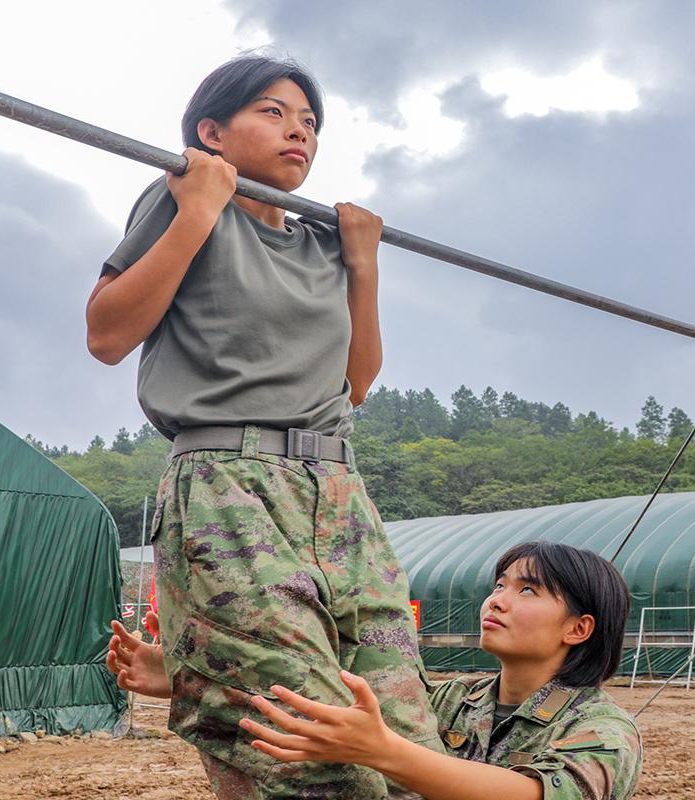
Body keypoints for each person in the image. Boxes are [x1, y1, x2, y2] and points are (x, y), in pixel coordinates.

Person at [87, 54, 440, 799]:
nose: (299, 132)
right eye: (273, 112)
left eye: (309, 121)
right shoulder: (184, 196)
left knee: (406, 742)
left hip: (338, 490)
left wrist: (364, 267)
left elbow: (356, 383)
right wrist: (196, 212)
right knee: (305, 745)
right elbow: (107, 334)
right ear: (211, 132)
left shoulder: (324, 242)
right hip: (231, 484)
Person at [110, 541, 643, 799]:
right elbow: (325, 708)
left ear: (579, 628)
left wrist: (384, 751)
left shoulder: (604, 730)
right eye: (499, 585)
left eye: (527, 591)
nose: (496, 600)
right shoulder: (453, 700)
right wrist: (190, 676)